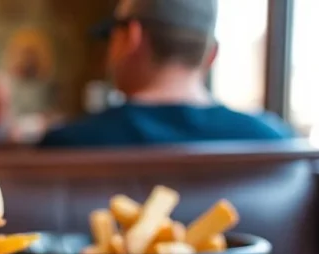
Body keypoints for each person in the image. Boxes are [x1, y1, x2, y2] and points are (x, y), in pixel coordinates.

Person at [38, 0, 295, 148]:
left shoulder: (68, 144)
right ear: (212, 55)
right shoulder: (275, 139)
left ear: (132, 39)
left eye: (111, 36)